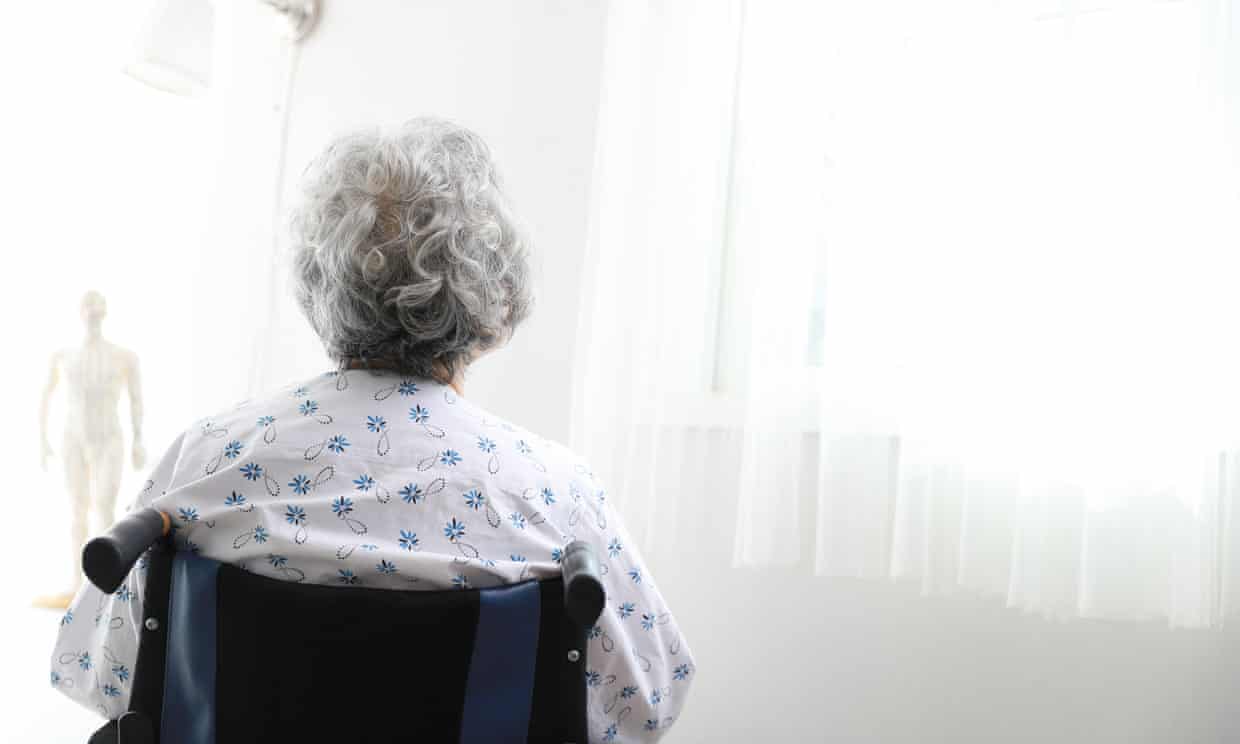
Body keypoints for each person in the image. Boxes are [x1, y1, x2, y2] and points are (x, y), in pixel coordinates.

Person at [50, 117, 694, 742]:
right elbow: (646, 704)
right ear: (493, 300)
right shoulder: (556, 493)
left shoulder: (206, 460)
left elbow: (100, 675)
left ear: (317, 283)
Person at [38, 290, 145, 607]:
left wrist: (139, 439)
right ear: (80, 311)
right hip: (72, 436)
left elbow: (136, 400)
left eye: (98, 305)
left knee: (105, 507)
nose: (93, 311)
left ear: (105, 311)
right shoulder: (63, 355)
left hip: (109, 437)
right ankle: (76, 583)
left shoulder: (124, 356)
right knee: (77, 509)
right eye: (88, 305)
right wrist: (42, 439)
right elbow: (45, 397)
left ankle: (105, 586)